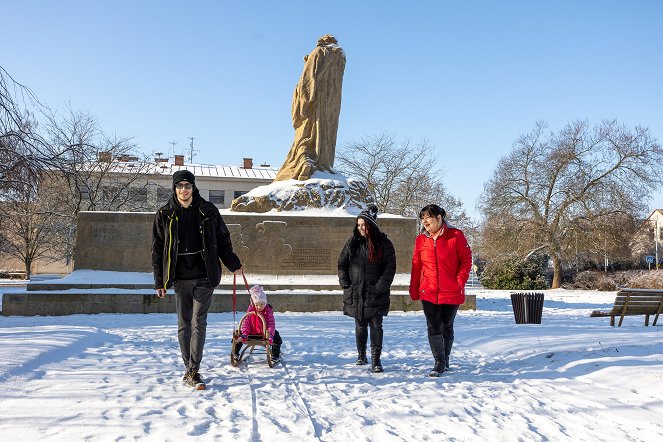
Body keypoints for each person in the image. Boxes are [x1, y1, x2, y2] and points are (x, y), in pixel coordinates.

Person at [152, 170, 242, 390]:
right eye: (180, 185)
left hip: (204, 275)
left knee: (198, 323)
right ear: (174, 189)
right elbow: (157, 250)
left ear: (193, 188)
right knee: (184, 325)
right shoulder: (164, 214)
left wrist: (233, 263)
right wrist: (159, 281)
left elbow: (223, 239)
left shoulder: (208, 211)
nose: (184, 189)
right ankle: (187, 367)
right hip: (179, 277)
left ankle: (194, 369)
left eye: (188, 185)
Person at [409, 204, 472, 377]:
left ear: (439, 218)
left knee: (447, 326)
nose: (424, 221)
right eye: (422, 218)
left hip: (451, 290)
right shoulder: (421, 239)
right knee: (433, 326)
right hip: (428, 290)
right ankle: (439, 362)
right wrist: (414, 287)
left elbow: (466, 260)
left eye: (428, 217)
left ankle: (446, 357)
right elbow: (416, 266)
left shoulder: (456, 235)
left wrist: (459, 281)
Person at [274, 34, 346, 181]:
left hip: (314, 104)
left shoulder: (318, 52)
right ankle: (320, 163)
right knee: (325, 137)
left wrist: (302, 104)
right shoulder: (340, 58)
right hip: (331, 107)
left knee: (305, 136)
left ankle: (304, 160)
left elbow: (307, 82)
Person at [338, 205, 396, 373]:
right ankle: (361, 355)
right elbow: (342, 263)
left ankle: (376, 360)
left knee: (376, 325)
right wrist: (346, 283)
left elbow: (389, 269)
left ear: (371, 225)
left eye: (364, 225)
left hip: (376, 293)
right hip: (356, 292)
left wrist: (378, 288)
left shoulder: (384, 244)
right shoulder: (352, 243)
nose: (361, 228)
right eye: (358, 225)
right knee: (360, 324)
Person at [233, 285, 282, 363]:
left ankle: (275, 355)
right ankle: (235, 353)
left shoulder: (268, 311)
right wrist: (245, 334)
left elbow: (271, 324)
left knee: (277, 337)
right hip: (251, 332)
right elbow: (246, 323)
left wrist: (269, 334)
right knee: (238, 334)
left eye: (262, 304)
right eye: (256, 305)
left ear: (265, 302)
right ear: (253, 304)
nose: (259, 307)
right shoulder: (250, 310)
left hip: (264, 333)